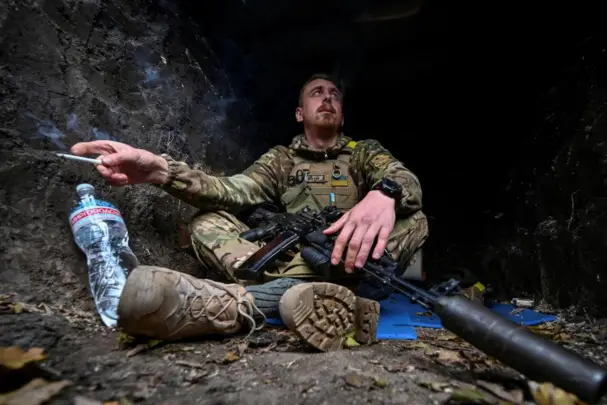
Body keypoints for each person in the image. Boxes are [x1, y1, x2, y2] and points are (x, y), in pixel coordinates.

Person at [71, 74, 429, 351]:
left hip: (355, 256)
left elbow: (402, 177)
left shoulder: (362, 152)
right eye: (317, 93)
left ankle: (249, 301)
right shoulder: (281, 159)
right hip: (294, 256)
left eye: (334, 94)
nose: (328, 98)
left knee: (415, 217)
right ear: (299, 113)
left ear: (343, 112)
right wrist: (161, 171)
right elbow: (233, 189)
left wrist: (385, 194)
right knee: (207, 221)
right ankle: (309, 296)